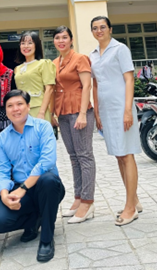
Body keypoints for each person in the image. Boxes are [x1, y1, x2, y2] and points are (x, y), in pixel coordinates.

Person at [0, 90, 65, 263]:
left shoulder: (43, 127)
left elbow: (47, 161)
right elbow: (2, 170)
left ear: (28, 106)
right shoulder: (3, 138)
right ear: (5, 110)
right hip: (21, 189)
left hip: (46, 187)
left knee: (48, 180)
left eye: (20, 104)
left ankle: (46, 239)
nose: (15, 109)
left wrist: (23, 188)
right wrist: (5, 195)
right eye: (10, 106)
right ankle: (35, 220)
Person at [90, 16, 142, 227]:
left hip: (122, 108)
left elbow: (129, 79)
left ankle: (130, 208)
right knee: (119, 155)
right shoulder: (93, 55)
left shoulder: (120, 49)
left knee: (127, 154)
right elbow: (95, 84)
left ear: (110, 29)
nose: (99, 30)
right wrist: (97, 112)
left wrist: (127, 110)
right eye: (95, 28)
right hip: (106, 110)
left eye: (103, 27)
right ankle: (134, 200)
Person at [52, 26, 95, 224]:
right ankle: (78, 198)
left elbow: (87, 85)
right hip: (63, 112)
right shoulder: (55, 63)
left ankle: (88, 202)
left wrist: (83, 113)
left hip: (79, 110)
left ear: (71, 40)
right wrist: (53, 113)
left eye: (64, 37)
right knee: (74, 157)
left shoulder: (80, 58)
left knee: (84, 156)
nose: (61, 41)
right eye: (57, 38)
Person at [14, 31, 56, 122]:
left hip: (38, 108)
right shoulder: (18, 68)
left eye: (30, 43)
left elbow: (49, 89)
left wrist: (42, 112)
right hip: (22, 110)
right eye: (23, 43)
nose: (26, 46)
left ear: (36, 45)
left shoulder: (44, 64)